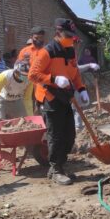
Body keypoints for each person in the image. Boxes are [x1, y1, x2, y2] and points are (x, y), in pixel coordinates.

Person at [28, 19, 89, 185]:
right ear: (58, 33)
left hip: (65, 97)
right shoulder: (46, 52)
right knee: (55, 136)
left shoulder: (70, 51)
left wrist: (81, 89)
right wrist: (53, 79)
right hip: (49, 97)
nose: (70, 39)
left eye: (72, 36)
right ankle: (55, 170)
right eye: (67, 35)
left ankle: (59, 166)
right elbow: (33, 75)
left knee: (69, 135)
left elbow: (75, 73)